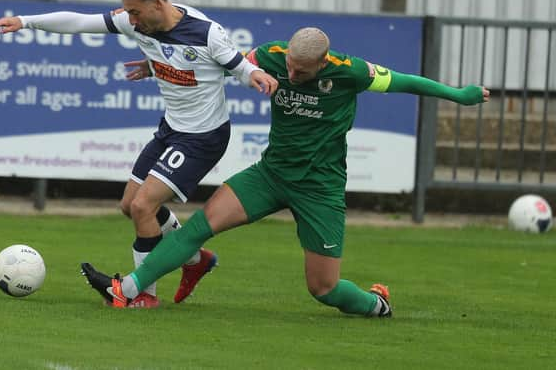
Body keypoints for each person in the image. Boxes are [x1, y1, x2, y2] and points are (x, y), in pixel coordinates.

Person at [81, 27, 490, 315]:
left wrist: (460, 95)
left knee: (323, 289)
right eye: (289, 68)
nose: (290, 76)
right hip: (270, 175)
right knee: (197, 228)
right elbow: (219, 65)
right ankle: (127, 290)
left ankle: (375, 303)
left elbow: (408, 83)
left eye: (301, 72)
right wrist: (158, 68)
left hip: (320, 189)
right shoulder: (273, 56)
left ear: (323, 62)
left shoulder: (351, 72)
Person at [0, 0, 278, 308]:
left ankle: (144, 295)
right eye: (128, 12)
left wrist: (257, 74)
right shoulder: (138, 20)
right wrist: (25, 21)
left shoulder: (206, 33)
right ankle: (195, 261)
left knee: (144, 205)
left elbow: (241, 67)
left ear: (158, 3)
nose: (131, 20)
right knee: (130, 205)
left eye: (136, 12)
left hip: (203, 137)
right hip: (171, 129)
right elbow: (81, 23)